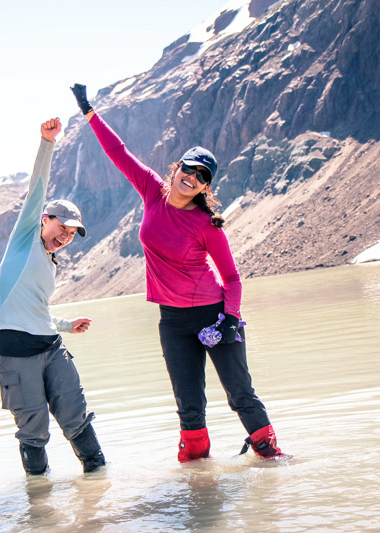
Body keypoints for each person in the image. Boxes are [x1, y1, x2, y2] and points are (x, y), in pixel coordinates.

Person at [70, 84, 287, 461]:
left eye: (202, 176)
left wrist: (230, 320)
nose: (192, 177)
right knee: (189, 406)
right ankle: (197, 481)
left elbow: (232, 278)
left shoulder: (207, 224)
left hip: (214, 316)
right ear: (177, 167)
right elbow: (117, 153)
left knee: (240, 394)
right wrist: (89, 111)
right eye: (188, 169)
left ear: (206, 186)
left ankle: (270, 457)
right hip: (171, 321)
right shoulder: (152, 192)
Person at [0, 117, 106, 475]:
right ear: (44, 220)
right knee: (34, 431)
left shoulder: (49, 262)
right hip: (16, 352)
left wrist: (68, 325)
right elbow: (36, 190)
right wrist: (47, 143)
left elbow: (36, 311)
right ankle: (39, 506)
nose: (67, 236)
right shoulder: (23, 242)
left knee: (76, 415)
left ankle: (99, 480)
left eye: (73, 234)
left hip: (51, 346)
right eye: (63, 227)